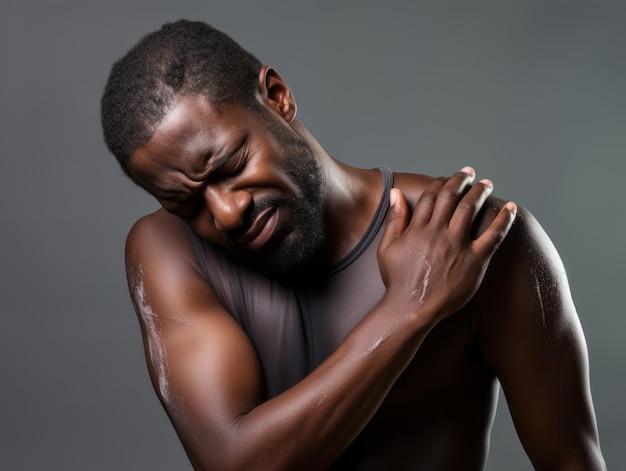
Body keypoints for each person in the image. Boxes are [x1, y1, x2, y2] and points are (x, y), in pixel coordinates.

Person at [101, 20, 605, 470]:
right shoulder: (167, 249)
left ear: (276, 96)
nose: (226, 213)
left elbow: (571, 461)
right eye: (185, 204)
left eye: (232, 165)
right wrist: (411, 306)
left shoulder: (475, 238)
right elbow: (233, 463)